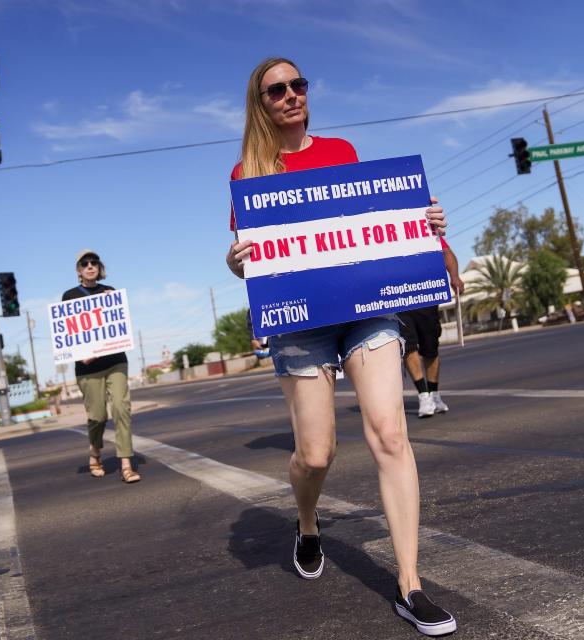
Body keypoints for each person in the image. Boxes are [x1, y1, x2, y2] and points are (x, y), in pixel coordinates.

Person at [225, 58, 456, 636]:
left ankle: (410, 584)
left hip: (364, 312)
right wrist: (236, 263)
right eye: (276, 90)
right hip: (302, 325)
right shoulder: (248, 171)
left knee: (389, 431)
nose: (290, 96)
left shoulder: (343, 152)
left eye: (298, 85)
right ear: (262, 103)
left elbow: (372, 227)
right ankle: (307, 523)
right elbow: (256, 258)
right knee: (317, 454)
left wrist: (422, 222)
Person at [62, 250, 141, 484]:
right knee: (97, 416)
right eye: (84, 264)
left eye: (93, 262)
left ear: (99, 267)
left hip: (115, 361)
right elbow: (68, 332)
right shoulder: (70, 296)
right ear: (78, 270)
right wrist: (80, 355)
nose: (90, 266)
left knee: (121, 408)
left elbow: (118, 325)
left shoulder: (110, 292)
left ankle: (126, 464)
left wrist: (111, 302)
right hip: (88, 368)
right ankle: (95, 453)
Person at [399, 244, 464, 418]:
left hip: (426, 293)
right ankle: (423, 396)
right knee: (409, 346)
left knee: (430, 348)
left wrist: (455, 276)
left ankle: (434, 394)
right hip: (398, 297)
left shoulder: (423, 225)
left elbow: (446, 252)